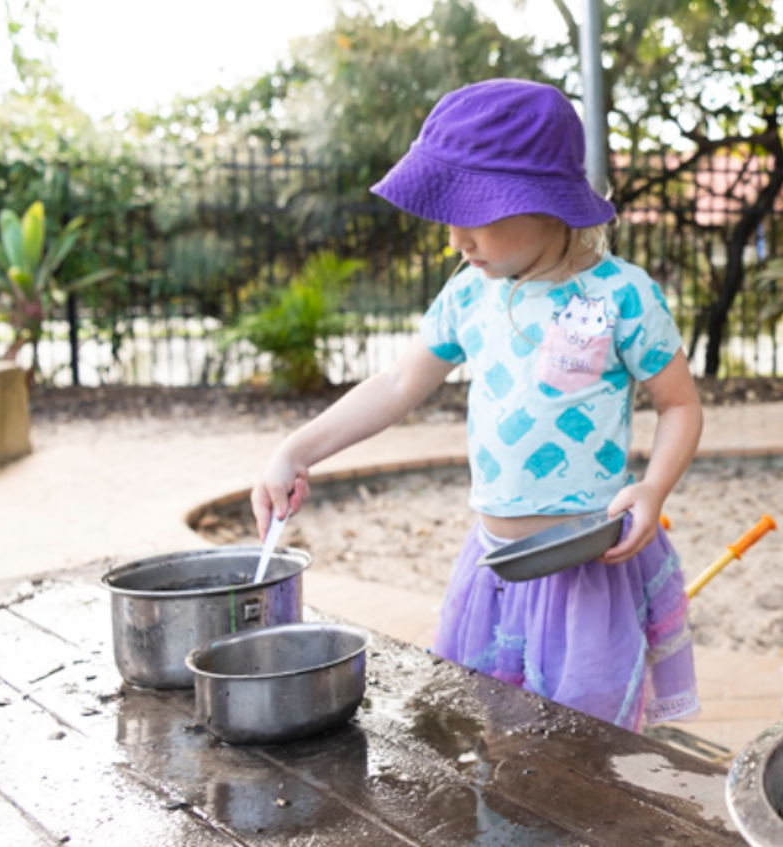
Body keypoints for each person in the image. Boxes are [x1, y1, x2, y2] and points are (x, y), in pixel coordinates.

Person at [252, 79, 703, 731]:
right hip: (494, 571)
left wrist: (654, 488)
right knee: (498, 733)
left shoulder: (621, 295)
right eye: (450, 214)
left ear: (546, 199)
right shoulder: (469, 295)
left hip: (585, 572)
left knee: (588, 749)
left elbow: (681, 405)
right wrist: (294, 450)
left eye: (477, 211)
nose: (458, 237)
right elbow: (397, 384)